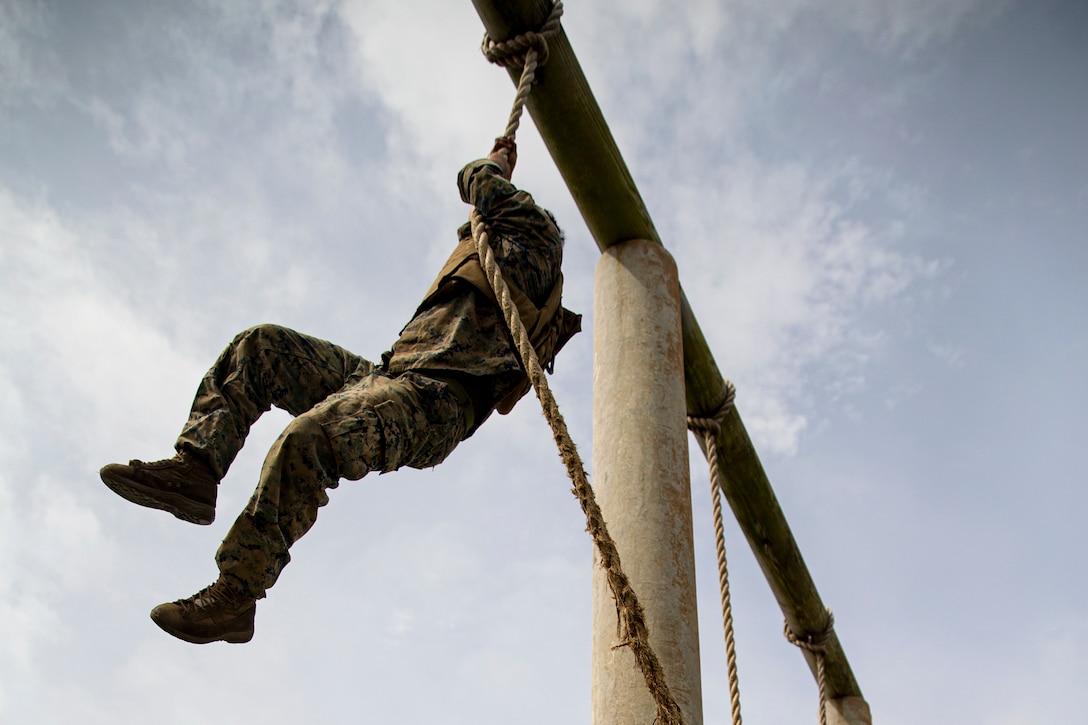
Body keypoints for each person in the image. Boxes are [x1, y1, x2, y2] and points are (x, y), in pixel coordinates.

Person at [100, 139, 579, 644]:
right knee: (262, 347)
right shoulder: (483, 253)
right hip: (389, 374)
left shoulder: (537, 237)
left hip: (434, 401)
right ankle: (196, 468)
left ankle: (236, 595)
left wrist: (497, 164)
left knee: (307, 439)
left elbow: (477, 181)